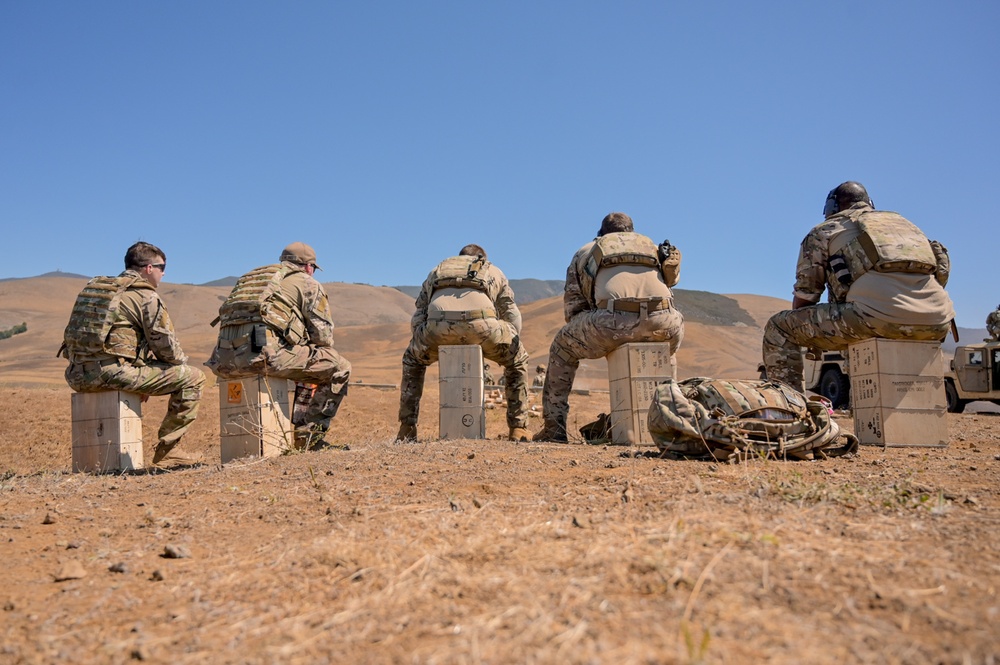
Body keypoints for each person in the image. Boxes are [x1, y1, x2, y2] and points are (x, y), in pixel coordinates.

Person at [763, 181, 955, 391]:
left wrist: (803, 332)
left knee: (779, 328)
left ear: (833, 207)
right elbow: (941, 270)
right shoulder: (904, 226)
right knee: (854, 325)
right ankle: (863, 411)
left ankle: (791, 410)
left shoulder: (825, 230)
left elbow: (807, 294)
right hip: (937, 323)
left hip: (873, 319)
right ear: (869, 203)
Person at [534, 212, 685, 443]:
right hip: (667, 322)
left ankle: (554, 430)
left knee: (561, 348)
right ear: (632, 231)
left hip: (612, 322)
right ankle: (672, 423)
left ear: (601, 233)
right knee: (665, 355)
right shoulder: (653, 247)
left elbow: (573, 309)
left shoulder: (588, 251)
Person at [60, 242, 205, 468]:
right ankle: (169, 450)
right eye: (162, 266)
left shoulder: (99, 290)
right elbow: (166, 347)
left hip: (76, 376)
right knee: (194, 377)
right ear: (148, 268)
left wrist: (141, 375)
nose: (164, 272)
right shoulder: (145, 296)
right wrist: (153, 376)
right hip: (112, 373)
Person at [206, 242, 351, 450]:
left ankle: (300, 437)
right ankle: (310, 439)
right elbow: (323, 338)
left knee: (304, 356)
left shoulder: (255, 279)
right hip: (262, 359)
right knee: (339, 366)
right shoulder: (308, 284)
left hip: (222, 361)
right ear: (309, 267)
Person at [397, 244, 530, 442]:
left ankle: (407, 428)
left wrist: (421, 341)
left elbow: (418, 316)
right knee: (517, 360)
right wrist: (510, 342)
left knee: (412, 361)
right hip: (482, 326)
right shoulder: (492, 270)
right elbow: (511, 313)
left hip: (437, 327)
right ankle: (518, 429)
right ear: (481, 257)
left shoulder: (437, 271)